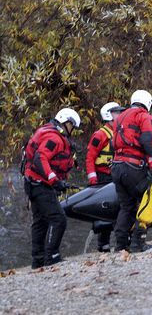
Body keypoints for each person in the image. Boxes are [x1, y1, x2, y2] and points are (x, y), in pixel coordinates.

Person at [23, 108, 81, 268]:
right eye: (72, 127)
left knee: (40, 221)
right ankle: (51, 256)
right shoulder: (54, 138)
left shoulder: (49, 133)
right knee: (58, 219)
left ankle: (38, 260)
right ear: (66, 122)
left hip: (33, 183)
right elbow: (40, 157)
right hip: (40, 184)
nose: (72, 131)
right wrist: (53, 179)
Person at [111, 90, 152, 252]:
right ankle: (138, 242)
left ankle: (120, 244)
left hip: (117, 167)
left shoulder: (120, 118)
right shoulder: (143, 116)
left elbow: (115, 143)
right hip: (132, 166)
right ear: (147, 102)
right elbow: (148, 139)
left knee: (127, 206)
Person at [85, 101, 125, 252]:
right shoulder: (100, 135)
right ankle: (103, 244)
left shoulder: (120, 131)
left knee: (121, 207)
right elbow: (90, 158)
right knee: (104, 211)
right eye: (117, 113)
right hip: (102, 177)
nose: (120, 115)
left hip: (116, 175)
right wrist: (93, 179)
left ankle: (121, 239)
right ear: (109, 115)